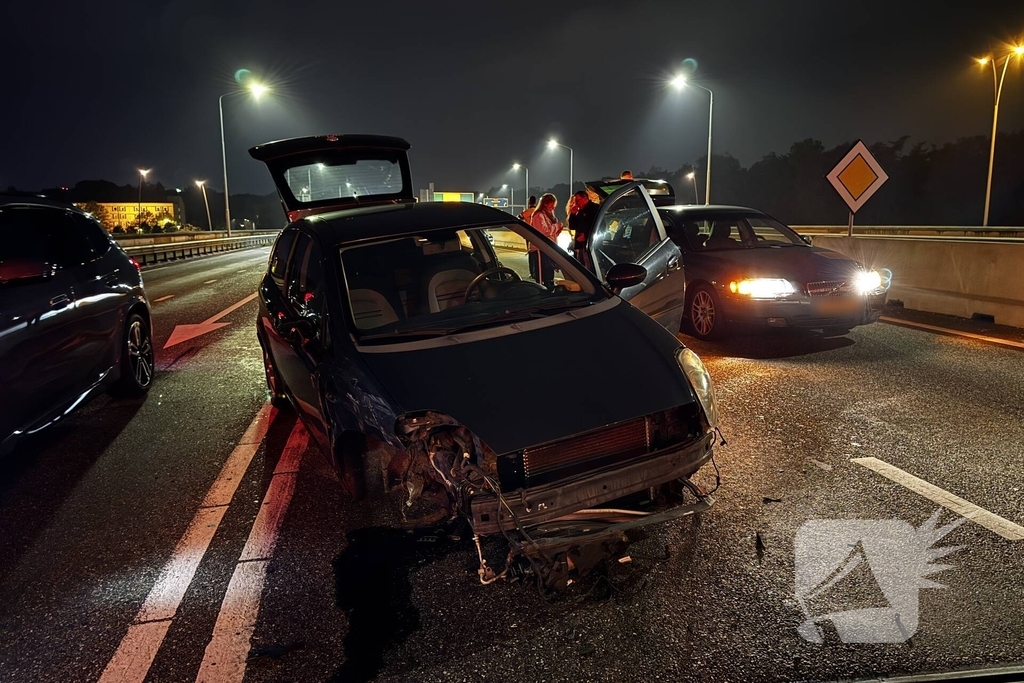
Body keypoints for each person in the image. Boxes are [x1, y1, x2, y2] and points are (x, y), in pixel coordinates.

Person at [529, 193, 563, 288]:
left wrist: (557, 230)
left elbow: (551, 233)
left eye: (554, 205)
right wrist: (557, 226)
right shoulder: (538, 215)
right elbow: (544, 231)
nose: (553, 207)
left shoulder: (549, 215)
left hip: (548, 248)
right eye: (551, 204)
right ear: (545, 204)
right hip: (540, 249)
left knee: (549, 275)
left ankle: (549, 289)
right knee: (542, 277)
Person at [568, 189, 598, 271]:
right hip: (580, 246)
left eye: (578, 200)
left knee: (589, 269)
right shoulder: (580, 211)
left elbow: (599, 226)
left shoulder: (594, 209)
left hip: (590, 246)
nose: (576, 203)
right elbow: (572, 226)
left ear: (585, 198)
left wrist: (586, 235)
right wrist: (573, 215)